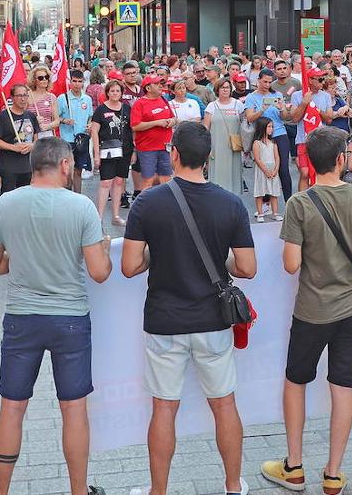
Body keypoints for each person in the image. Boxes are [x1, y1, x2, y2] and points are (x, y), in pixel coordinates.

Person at [121, 122, 256, 495]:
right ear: (209, 156)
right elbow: (246, 267)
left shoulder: (148, 201)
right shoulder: (230, 203)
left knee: (164, 408)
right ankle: (232, 486)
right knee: (224, 405)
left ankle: (158, 490)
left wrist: (157, 250)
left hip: (165, 321)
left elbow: (130, 266)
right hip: (213, 320)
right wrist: (219, 258)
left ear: (173, 154)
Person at [261, 126, 352, 495]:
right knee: (343, 387)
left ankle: (294, 466)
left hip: (312, 310)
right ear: (341, 159)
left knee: (296, 382)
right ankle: (333, 473)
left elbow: (290, 264)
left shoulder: (299, 204)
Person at [0, 137, 112, 495]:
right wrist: (103, 250)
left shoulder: (6, 203)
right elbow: (99, 272)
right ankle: (79, 491)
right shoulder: (82, 207)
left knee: (12, 406)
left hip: (22, 318)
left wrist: (18, 259)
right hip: (70, 319)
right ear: (66, 165)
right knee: (73, 408)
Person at [243, 70, 292, 200]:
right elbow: (249, 117)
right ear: (258, 80)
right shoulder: (251, 97)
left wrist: (282, 108)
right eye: (264, 81)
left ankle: (289, 201)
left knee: (283, 169)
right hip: (262, 136)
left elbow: (285, 117)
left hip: (280, 132)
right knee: (264, 167)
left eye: (270, 82)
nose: (267, 84)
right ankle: (265, 203)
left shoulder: (277, 94)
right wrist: (262, 109)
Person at [90, 79, 133, 226]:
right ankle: (99, 218)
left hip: (125, 150)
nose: (115, 93)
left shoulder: (127, 108)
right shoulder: (101, 110)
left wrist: (134, 151)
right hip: (107, 150)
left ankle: (115, 216)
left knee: (119, 181)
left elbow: (132, 130)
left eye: (118, 91)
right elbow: (94, 131)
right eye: (112, 91)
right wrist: (96, 154)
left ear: (121, 93)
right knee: (105, 182)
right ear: (107, 92)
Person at [130, 75, 177, 192]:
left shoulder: (163, 99)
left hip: (165, 146)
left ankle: (163, 206)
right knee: (148, 181)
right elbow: (135, 126)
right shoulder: (139, 104)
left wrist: (172, 121)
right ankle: (146, 207)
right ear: (148, 88)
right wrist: (156, 123)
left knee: (166, 179)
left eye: (161, 83)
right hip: (147, 148)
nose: (161, 86)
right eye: (156, 84)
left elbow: (174, 118)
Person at [0, 84, 42, 194]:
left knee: (26, 197)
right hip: (9, 167)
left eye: (25, 95)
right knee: (8, 198)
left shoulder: (30, 115)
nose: (23, 98)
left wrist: (32, 145)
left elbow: (36, 138)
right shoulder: (3, 117)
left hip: (28, 166)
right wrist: (13, 148)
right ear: (12, 97)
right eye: (19, 95)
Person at [57, 72, 96, 190]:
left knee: (79, 170)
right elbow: (55, 118)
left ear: (84, 82)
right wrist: (64, 120)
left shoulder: (87, 99)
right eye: (74, 81)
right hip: (67, 139)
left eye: (80, 81)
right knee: (67, 171)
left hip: (82, 139)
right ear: (70, 82)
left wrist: (89, 124)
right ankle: (67, 195)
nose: (77, 84)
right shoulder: (62, 98)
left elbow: (90, 116)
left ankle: (78, 196)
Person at [251, 117, 283, 221]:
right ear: (262, 127)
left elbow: (277, 157)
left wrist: (275, 169)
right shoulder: (257, 143)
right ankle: (260, 213)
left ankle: (275, 212)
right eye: (269, 126)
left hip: (272, 169)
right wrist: (266, 171)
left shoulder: (273, 143)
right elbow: (257, 159)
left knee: (274, 192)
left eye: (272, 126)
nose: (271, 129)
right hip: (262, 170)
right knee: (260, 190)